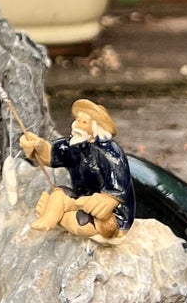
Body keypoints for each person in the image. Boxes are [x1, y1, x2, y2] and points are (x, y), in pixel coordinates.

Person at [19, 98, 137, 240]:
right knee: (58, 194)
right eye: (78, 120)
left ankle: (55, 214)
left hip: (109, 212)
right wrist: (38, 145)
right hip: (80, 199)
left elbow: (119, 184)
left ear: (95, 127)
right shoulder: (74, 144)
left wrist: (107, 199)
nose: (77, 125)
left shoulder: (111, 153)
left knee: (80, 223)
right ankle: (48, 218)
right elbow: (52, 153)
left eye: (84, 122)